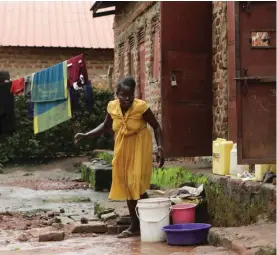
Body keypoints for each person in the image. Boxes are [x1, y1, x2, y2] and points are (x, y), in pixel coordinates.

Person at [74, 76, 164, 238]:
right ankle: (139, 222)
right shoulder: (112, 107)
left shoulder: (141, 107)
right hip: (122, 147)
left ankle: (144, 221)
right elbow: (106, 125)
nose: (127, 98)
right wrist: (86, 134)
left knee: (135, 182)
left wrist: (160, 148)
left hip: (139, 146)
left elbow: (156, 127)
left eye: (130, 95)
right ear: (117, 94)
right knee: (128, 185)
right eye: (123, 95)